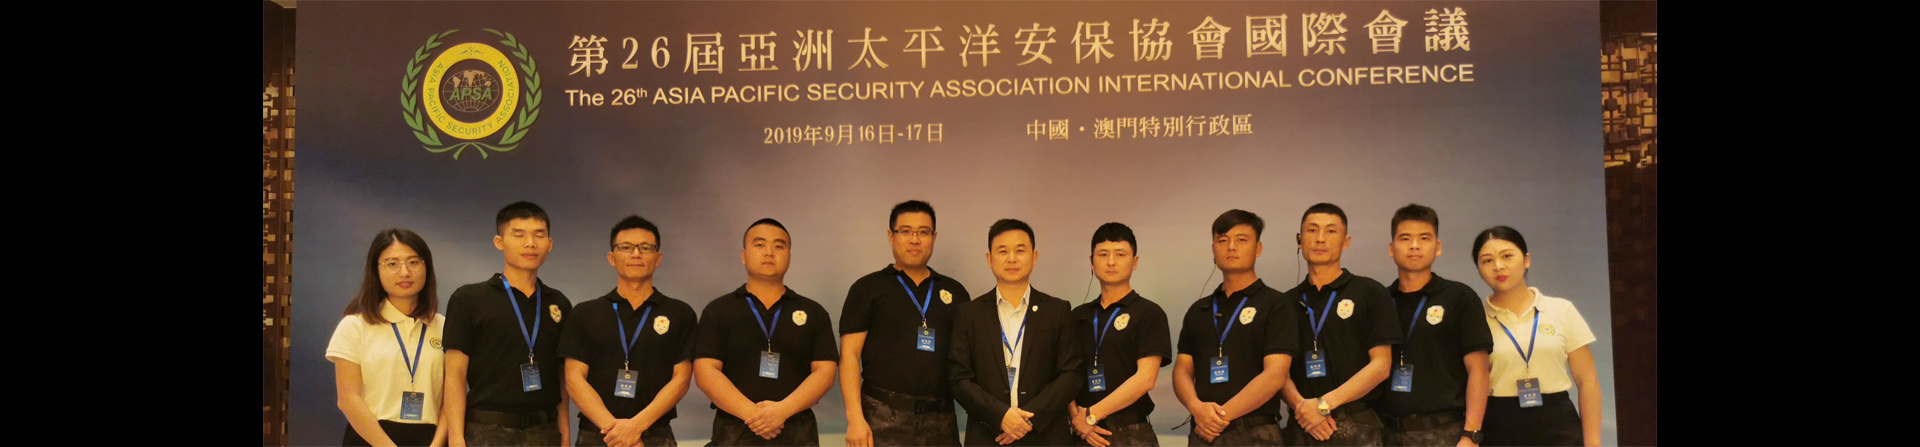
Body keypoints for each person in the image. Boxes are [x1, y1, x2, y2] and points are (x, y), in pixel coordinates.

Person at [694, 219, 839, 446]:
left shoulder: (813, 312)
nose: (769, 252)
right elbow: (705, 371)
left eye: (778, 246)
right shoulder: (719, 310)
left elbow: (825, 372)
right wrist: (754, 415)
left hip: (796, 429)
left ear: (789, 256)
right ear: (744, 255)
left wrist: (782, 411)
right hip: (734, 429)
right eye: (760, 245)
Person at [840, 201, 972, 447]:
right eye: (906, 231)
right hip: (881, 416)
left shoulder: (955, 292)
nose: (915, 239)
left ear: (934, 237)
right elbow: (849, 355)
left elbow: (968, 359)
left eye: (923, 232)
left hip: (941, 418)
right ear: (891, 236)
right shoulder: (867, 288)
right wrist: (854, 418)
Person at [558, 216, 698, 447]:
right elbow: (574, 379)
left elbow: (681, 379)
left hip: (655, 433)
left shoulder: (680, 313)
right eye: (626, 247)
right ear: (611, 258)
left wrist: (635, 427)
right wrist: (617, 432)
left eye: (645, 248)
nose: (636, 254)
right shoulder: (585, 313)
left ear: (658, 258)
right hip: (598, 432)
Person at [443, 201, 574, 446]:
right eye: (519, 234)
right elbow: (455, 375)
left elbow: (562, 381)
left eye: (539, 235)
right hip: (487, 430)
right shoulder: (469, 299)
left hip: (544, 432)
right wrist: (456, 438)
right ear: (499, 242)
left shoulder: (559, 304)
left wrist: (564, 436)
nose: (530, 243)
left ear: (549, 243)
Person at [949, 219, 1083, 446]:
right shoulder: (969, 313)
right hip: (988, 437)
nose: (1011, 258)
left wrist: (1028, 419)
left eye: (1020, 251)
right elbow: (959, 379)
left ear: (1034, 257)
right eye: (1003, 251)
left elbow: (1072, 374)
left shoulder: (1057, 310)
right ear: (989, 259)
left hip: (1046, 437)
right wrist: (1000, 416)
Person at [1280, 203, 1402, 446]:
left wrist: (1323, 405)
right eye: (1312, 230)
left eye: (1331, 231)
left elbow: (1381, 365)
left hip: (1357, 423)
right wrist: (1304, 409)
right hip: (1303, 424)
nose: (1320, 238)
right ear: (1299, 240)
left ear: (1346, 242)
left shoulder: (1369, 292)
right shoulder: (1284, 303)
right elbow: (1276, 371)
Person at [1173, 210, 1296, 447]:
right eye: (1223, 240)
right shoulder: (1199, 310)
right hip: (1203, 431)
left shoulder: (1276, 304)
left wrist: (1218, 419)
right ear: (1213, 249)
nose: (1231, 247)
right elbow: (1182, 370)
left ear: (1258, 248)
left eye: (1241, 240)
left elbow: (1275, 375)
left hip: (1256, 432)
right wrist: (1196, 408)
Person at [1470, 226, 1601, 447]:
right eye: (1487, 261)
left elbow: (1587, 380)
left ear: (1526, 260)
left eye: (1507, 256)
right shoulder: (1474, 319)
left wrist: (1594, 443)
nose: (1498, 266)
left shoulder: (1561, 310)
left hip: (1557, 422)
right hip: (1499, 423)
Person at [1374, 205, 1493, 447]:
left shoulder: (1459, 297)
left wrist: (1471, 435)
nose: (1414, 245)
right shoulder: (1379, 301)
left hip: (1445, 433)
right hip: (1387, 434)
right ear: (1391, 248)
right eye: (1405, 238)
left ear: (1437, 247)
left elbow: (1479, 370)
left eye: (1424, 238)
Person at [328, 228, 448, 447]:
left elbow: (453, 397)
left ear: (427, 267)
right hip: (370, 438)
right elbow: (347, 399)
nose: (404, 272)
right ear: (376, 270)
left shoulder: (444, 327)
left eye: (413, 262)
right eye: (392, 264)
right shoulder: (355, 326)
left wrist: (437, 444)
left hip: (431, 438)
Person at [1067, 223, 1171, 447]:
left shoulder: (1149, 313)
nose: (1111, 262)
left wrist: (1092, 415)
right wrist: (1077, 418)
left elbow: (1146, 379)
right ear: (1092, 262)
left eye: (1120, 254)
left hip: (1131, 432)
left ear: (1135, 262)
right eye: (1103, 254)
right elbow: (1065, 374)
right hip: (1084, 433)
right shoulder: (1077, 316)